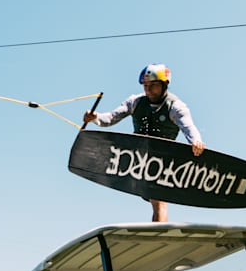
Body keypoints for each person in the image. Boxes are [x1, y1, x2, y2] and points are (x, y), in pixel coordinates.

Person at [82, 63, 205, 222]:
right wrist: (96, 117)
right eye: (145, 85)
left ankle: (159, 234)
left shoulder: (176, 107)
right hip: (139, 158)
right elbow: (111, 118)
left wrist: (196, 141)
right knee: (155, 200)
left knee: (158, 200)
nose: (148, 90)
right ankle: (158, 232)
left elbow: (188, 126)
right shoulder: (134, 102)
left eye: (153, 85)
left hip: (163, 161)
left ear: (164, 84)